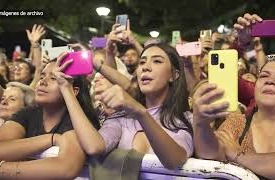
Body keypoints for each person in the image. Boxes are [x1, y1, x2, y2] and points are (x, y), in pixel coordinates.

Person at [193, 13, 275, 179]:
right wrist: (200, 124)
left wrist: (238, 156)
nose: (270, 80)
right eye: (264, 75)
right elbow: (211, 156)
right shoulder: (237, 122)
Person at [66, 42, 194, 170]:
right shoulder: (122, 118)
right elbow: (94, 147)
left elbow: (175, 161)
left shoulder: (186, 119)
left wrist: (140, 112)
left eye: (157, 61)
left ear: (174, 75)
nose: (145, 67)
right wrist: (66, 88)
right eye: (142, 62)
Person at [0, 56, 100, 179]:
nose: (42, 82)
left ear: (73, 91)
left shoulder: (78, 121)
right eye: (42, 76)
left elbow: (65, 168)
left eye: (54, 78)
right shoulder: (27, 113)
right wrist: (50, 139)